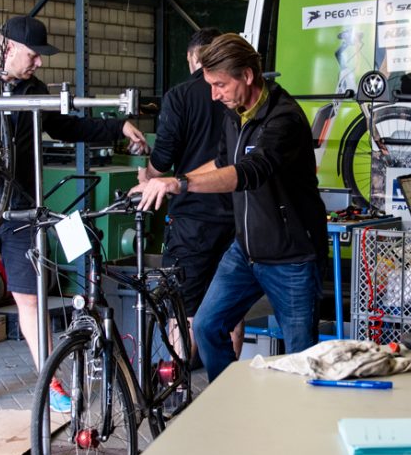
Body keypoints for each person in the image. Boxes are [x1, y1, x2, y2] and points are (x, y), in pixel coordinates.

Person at [0, 15, 148, 413]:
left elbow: (67, 126)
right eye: (33, 55)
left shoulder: (34, 90)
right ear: (7, 47)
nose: (39, 62)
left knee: (30, 299)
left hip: (22, 209)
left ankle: (52, 383)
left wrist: (118, 127)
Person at [135, 33, 328, 382]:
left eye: (220, 84)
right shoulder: (234, 113)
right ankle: (229, 401)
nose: (214, 94)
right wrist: (166, 182)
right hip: (246, 251)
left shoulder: (283, 119)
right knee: (207, 326)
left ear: (248, 76)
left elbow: (249, 173)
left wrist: (179, 183)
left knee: (302, 361)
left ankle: (300, 431)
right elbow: (222, 160)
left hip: (292, 256)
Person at [139, 27, 241, 361]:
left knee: (183, 309)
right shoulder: (241, 95)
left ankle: (179, 389)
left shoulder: (181, 95)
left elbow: (163, 156)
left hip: (192, 217)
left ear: (191, 57)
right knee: (230, 306)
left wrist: (149, 176)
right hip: (237, 214)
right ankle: (227, 390)